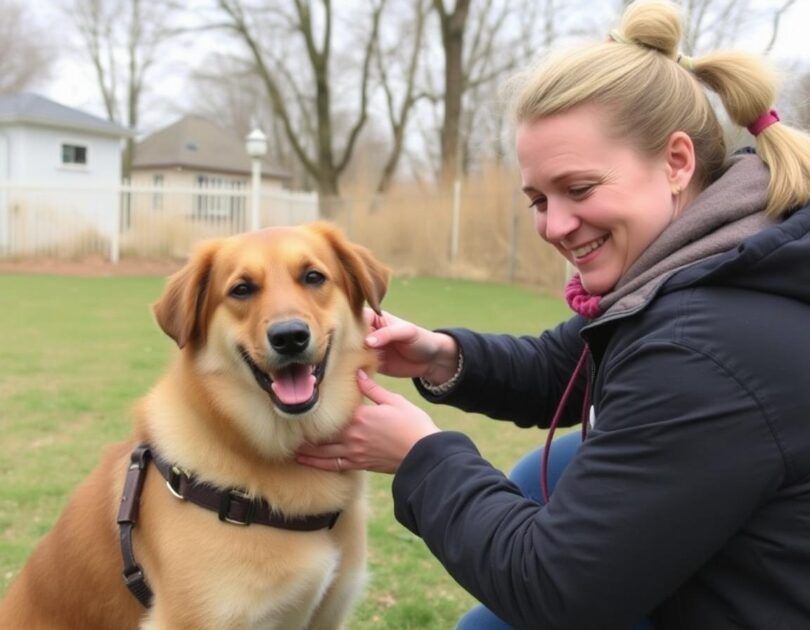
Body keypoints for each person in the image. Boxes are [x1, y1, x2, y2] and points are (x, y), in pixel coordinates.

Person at [296, 0, 810, 627]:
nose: (555, 225)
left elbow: (554, 591)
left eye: (580, 190)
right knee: (549, 472)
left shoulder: (699, 348)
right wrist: (441, 355)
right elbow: (569, 361)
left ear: (676, 162)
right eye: (538, 198)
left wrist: (420, 456)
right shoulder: (709, 259)